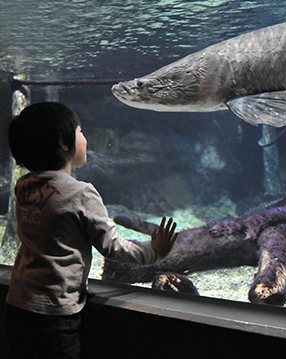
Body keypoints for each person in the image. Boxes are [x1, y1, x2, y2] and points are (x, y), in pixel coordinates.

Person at [4, 102, 179, 359]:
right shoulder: (80, 192)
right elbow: (112, 247)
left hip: (17, 303)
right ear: (65, 143)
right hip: (55, 313)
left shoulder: (24, 186)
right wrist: (154, 253)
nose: (85, 138)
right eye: (81, 132)